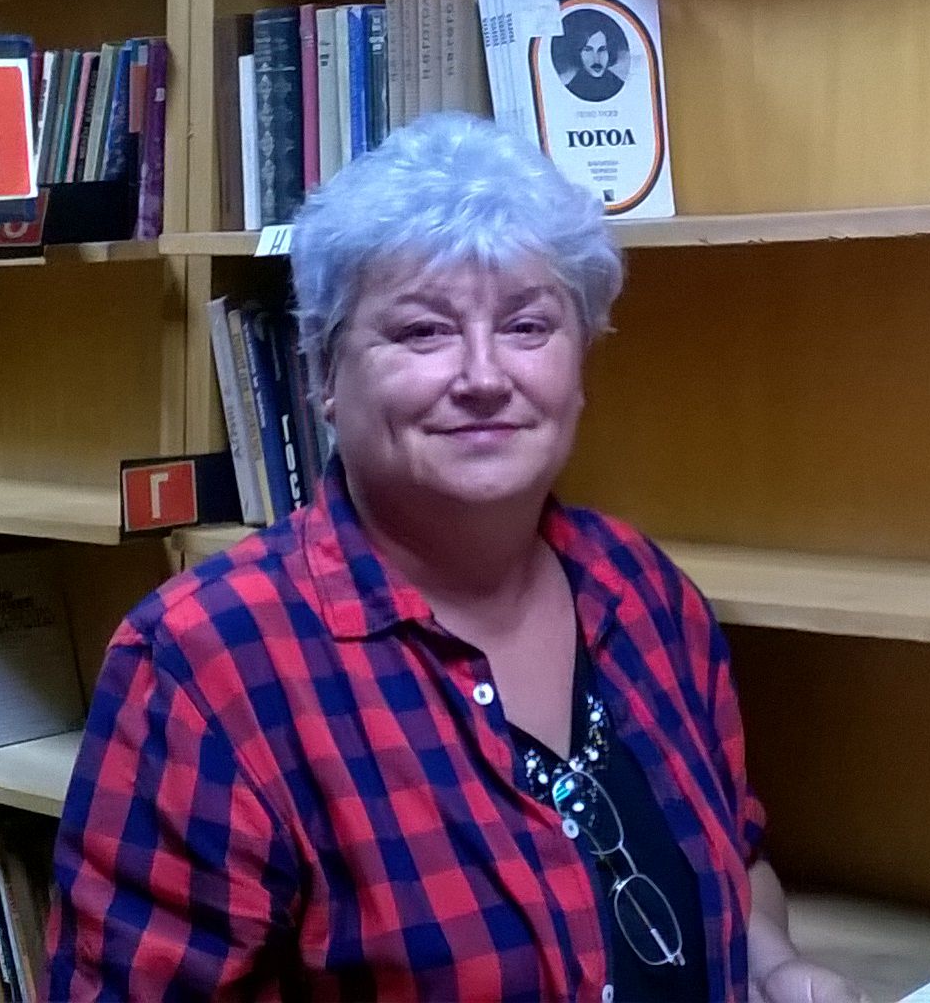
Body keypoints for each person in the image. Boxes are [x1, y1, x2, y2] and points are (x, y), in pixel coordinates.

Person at [46, 112, 864, 1002]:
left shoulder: (643, 591)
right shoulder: (205, 668)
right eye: (423, 332)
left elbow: (734, 863)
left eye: (527, 327)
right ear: (322, 373)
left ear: (580, 361)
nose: (482, 376)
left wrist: (777, 967)